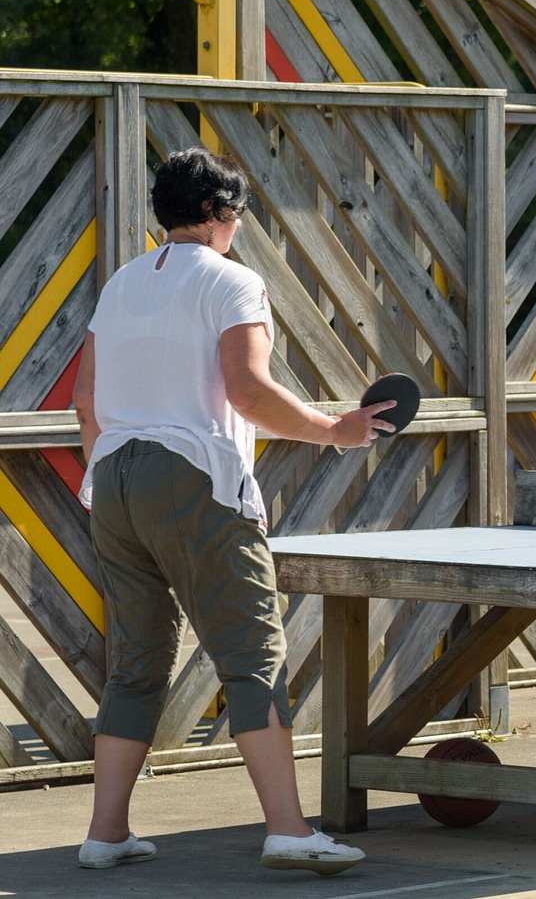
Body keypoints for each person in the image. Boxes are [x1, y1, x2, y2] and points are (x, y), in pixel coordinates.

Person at [73, 147, 395, 872]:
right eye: (237, 215)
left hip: (114, 480)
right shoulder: (232, 280)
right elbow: (247, 392)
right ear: (219, 212)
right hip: (192, 480)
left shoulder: (121, 284)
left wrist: (107, 467)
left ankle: (105, 834)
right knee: (253, 656)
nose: (238, 227)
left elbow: (85, 402)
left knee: (137, 665)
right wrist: (336, 431)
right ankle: (287, 827)